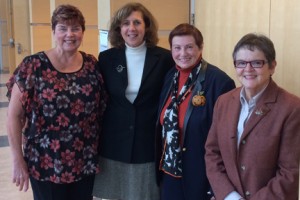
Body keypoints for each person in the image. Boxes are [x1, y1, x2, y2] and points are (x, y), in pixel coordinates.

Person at [6, 4, 107, 200]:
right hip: (44, 162)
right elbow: (13, 116)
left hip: (84, 160)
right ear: (53, 31)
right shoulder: (33, 65)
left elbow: (102, 110)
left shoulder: (92, 65)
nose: (70, 34)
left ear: (83, 32)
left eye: (76, 28)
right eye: (63, 28)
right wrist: (18, 160)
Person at [92, 2, 174, 200]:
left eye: (137, 22)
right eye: (126, 23)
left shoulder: (164, 58)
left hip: (147, 144)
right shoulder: (106, 58)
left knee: (144, 195)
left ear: (146, 26)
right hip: (114, 143)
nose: (132, 28)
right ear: (119, 29)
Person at [205, 33, 300, 200]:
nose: (247, 70)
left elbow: (289, 173)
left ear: (272, 66)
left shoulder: (292, 107)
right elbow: (212, 154)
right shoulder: (224, 102)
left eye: (257, 63)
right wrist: (230, 196)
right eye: (241, 63)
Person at [155, 23, 236, 200]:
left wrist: (219, 187)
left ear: (200, 48)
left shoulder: (220, 83)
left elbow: (227, 140)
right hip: (169, 173)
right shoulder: (170, 77)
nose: (183, 54)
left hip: (202, 176)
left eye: (189, 47)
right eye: (177, 48)